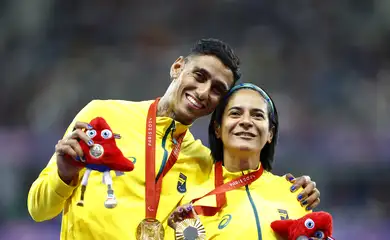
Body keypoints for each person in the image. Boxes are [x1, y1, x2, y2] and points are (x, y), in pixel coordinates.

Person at [27, 39, 320, 240]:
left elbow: (248, 191)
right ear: (177, 67)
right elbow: (39, 210)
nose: (204, 92)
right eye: (199, 75)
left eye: (217, 89)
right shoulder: (102, 114)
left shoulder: (204, 162)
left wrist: (294, 190)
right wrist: (64, 175)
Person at [168, 83, 320, 240]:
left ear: (270, 133)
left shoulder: (295, 194)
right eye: (235, 113)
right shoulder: (191, 202)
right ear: (217, 128)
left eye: (257, 115)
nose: (246, 121)